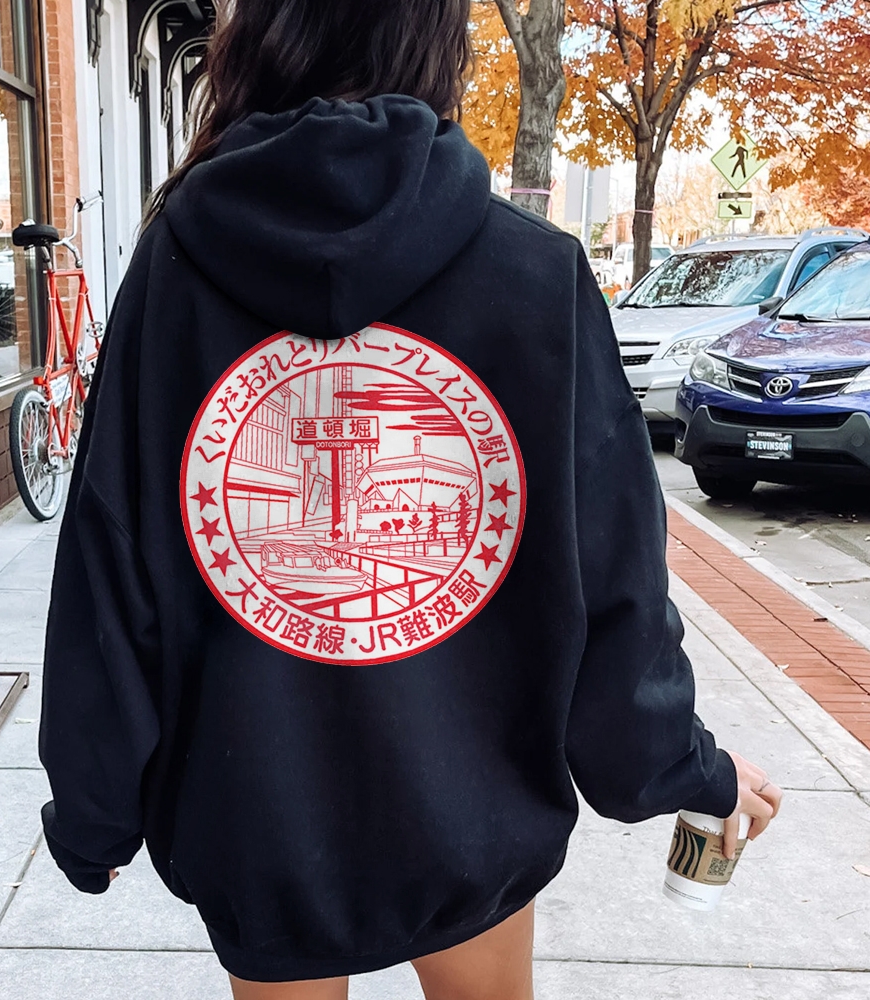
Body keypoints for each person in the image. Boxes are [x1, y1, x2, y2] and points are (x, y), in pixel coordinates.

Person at [38, 1, 783, 997]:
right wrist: (683, 766)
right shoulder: (534, 272)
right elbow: (614, 582)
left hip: (258, 820)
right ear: (437, 43)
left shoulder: (175, 265)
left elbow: (108, 565)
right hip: (473, 818)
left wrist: (94, 812)